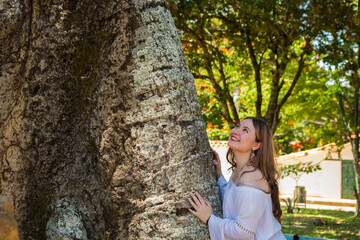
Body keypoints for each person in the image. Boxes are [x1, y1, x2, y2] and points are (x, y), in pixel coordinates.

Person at [188, 117, 286, 240]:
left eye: (245, 130)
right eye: (238, 126)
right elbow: (234, 201)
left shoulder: (251, 177)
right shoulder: (242, 170)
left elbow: (243, 232)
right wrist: (219, 174)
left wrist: (209, 219)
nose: (236, 131)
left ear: (256, 145)